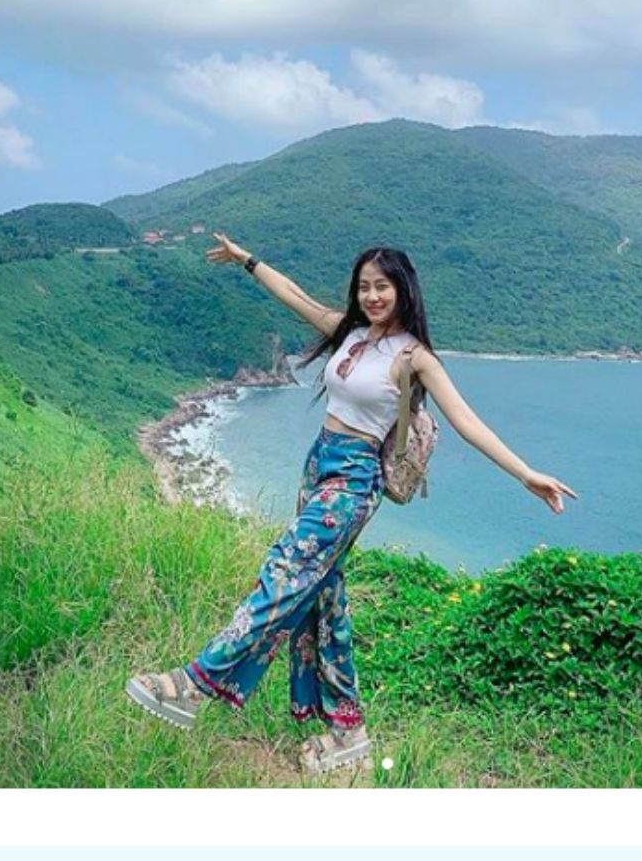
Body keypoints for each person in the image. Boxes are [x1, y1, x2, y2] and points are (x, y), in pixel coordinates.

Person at [125, 235, 578, 775]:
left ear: (403, 289)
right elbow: (294, 296)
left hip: (354, 479)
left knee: (285, 570)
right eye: (364, 286)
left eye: (381, 286)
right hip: (318, 466)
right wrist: (248, 260)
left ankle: (194, 684)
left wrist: (526, 473)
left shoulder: (416, 357)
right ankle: (348, 731)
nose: (371, 296)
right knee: (322, 598)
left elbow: (466, 420)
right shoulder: (352, 334)